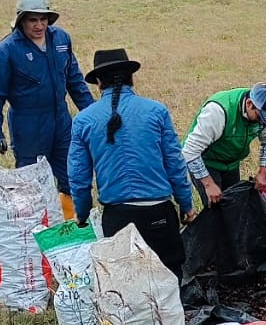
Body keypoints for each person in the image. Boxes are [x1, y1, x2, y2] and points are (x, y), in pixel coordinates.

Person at [67, 49, 195, 279]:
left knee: (124, 282)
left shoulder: (83, 120)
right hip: (159, 214)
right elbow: (175, 164)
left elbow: (79, 177)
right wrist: (187, 205)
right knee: (168, 278)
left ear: (98, 82)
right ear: (131, 77)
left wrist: (82, 214)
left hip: (117, 217)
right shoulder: (157, 111)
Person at [0, 0, 93, 219]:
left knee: (72, 175)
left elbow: (75, 81)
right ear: (21, 21)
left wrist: (93, 114)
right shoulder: (6, 50)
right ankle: (34, 233)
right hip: (28, 124)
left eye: (43, 19)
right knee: (29, 183)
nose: (39, 25)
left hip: (62, 120)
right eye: (33, 20)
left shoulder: (61, 39)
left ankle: (73, 226)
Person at [182, 84, 266, 207]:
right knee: (215, 207)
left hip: (231, 164)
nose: (263, 122)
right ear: (250, 104)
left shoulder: (264, 112)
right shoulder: (218, 111)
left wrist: (263, 173)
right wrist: (208, 184)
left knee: (234, 205)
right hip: (207, 162)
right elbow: (189, 151)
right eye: (260, 117)